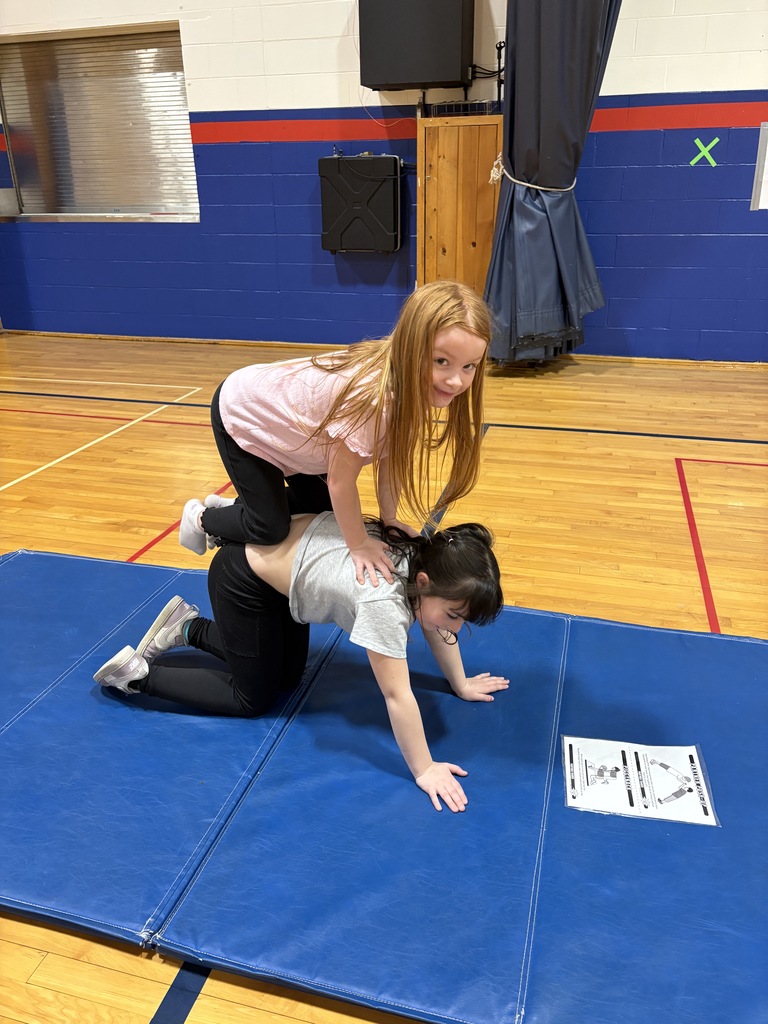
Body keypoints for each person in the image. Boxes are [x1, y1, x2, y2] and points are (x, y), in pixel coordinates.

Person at [95, 512, 508, 812]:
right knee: (250, 698)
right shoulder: (385, 603)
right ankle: (138, 677)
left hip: (278, 578)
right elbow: (397, 695)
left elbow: (439, 625)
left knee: (288, 676)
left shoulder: (422, 553)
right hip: (243, 579)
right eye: (455, 614)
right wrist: (424, 769)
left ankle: (188, 628)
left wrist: (460, 682)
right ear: (423, 584)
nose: (454, 625)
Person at [179, 280, 492, 587]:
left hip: (297, 433)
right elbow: (342, 482)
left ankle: (237, 508)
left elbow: (392, 458)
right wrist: (358, 546)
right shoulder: (374, 399)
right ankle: (201, 518)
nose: (456, 381)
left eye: (469, 366)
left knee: (319, 509)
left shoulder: (412, 385)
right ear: (412, 346)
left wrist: (390, 519)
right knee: (268, 528)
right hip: (246, 414)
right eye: (442, 361)